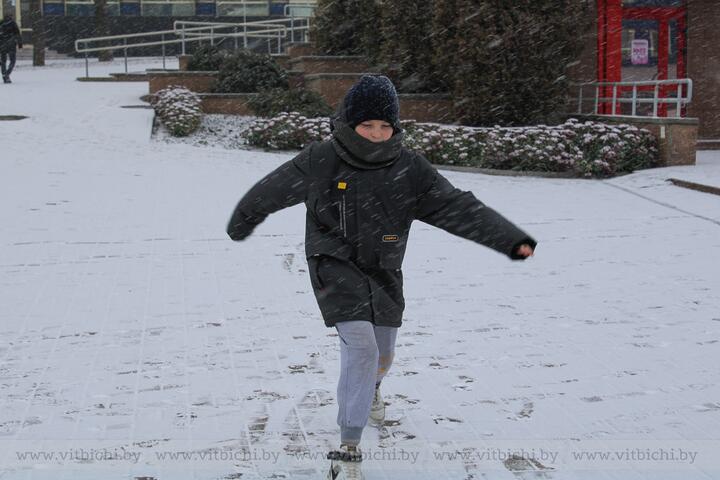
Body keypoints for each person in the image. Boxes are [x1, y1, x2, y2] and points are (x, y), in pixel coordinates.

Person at [227, 74, 537, 479]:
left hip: (385, 267)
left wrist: (510, 239)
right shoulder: (321, 159)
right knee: (362, 346)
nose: (376, 134)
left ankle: (371, 389)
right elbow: (270, 191)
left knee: (383, 352)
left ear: (395, 128)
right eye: (367, 125)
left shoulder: (410, 168)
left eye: (384, 126)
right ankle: (349, 442)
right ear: (349, 123)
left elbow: (458, 207)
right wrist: (243, 220)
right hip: (333, 263)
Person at [0, 12, 22, 84]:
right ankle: (7, 74)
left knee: (3, 61)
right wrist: (20, 44)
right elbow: (17, 34)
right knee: (12, 60)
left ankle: (4, 75)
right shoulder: (13, 24)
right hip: (11, 45)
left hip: (2, 45)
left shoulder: (1, 23)